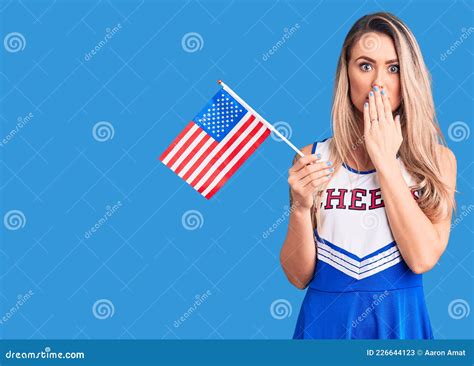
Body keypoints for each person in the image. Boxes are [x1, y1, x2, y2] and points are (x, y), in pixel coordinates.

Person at [280, 12, 457, 339]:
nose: (378, 82)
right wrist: (301, 208)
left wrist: (386, 161)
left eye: (393, 68)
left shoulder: (437, 160)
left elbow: (421, 258)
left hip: (400, 321)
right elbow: (297, 276)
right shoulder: (312, 157)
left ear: (409, 78)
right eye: (365, 65)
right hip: (324, 323)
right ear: (346, 75)